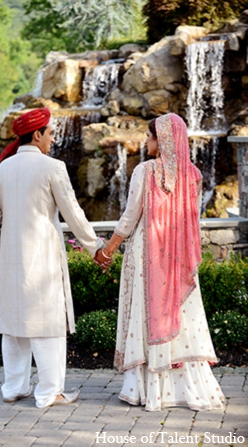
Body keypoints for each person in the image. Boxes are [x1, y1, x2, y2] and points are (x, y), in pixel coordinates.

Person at [96, 113, 225, 411]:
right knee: (181, 315)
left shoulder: (146, 171)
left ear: (163, 139)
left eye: (150, 136)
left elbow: (130, 217)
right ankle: (184, 388)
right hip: (177, 260)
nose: (146, 140)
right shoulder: (192, 174)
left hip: (147, 254)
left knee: (147, 313)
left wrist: (109, 249)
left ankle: (148, 389)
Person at [0, 107, 107, 408]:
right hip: (43, 256)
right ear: (37, 134)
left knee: (14, 323)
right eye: (50, 133)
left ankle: (13, 387)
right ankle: (50, 393)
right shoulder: (52, 167)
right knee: (47, 324)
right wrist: (96, 248)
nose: (53, 138)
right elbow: (73, 214)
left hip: (11, 257)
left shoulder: (1, 170)